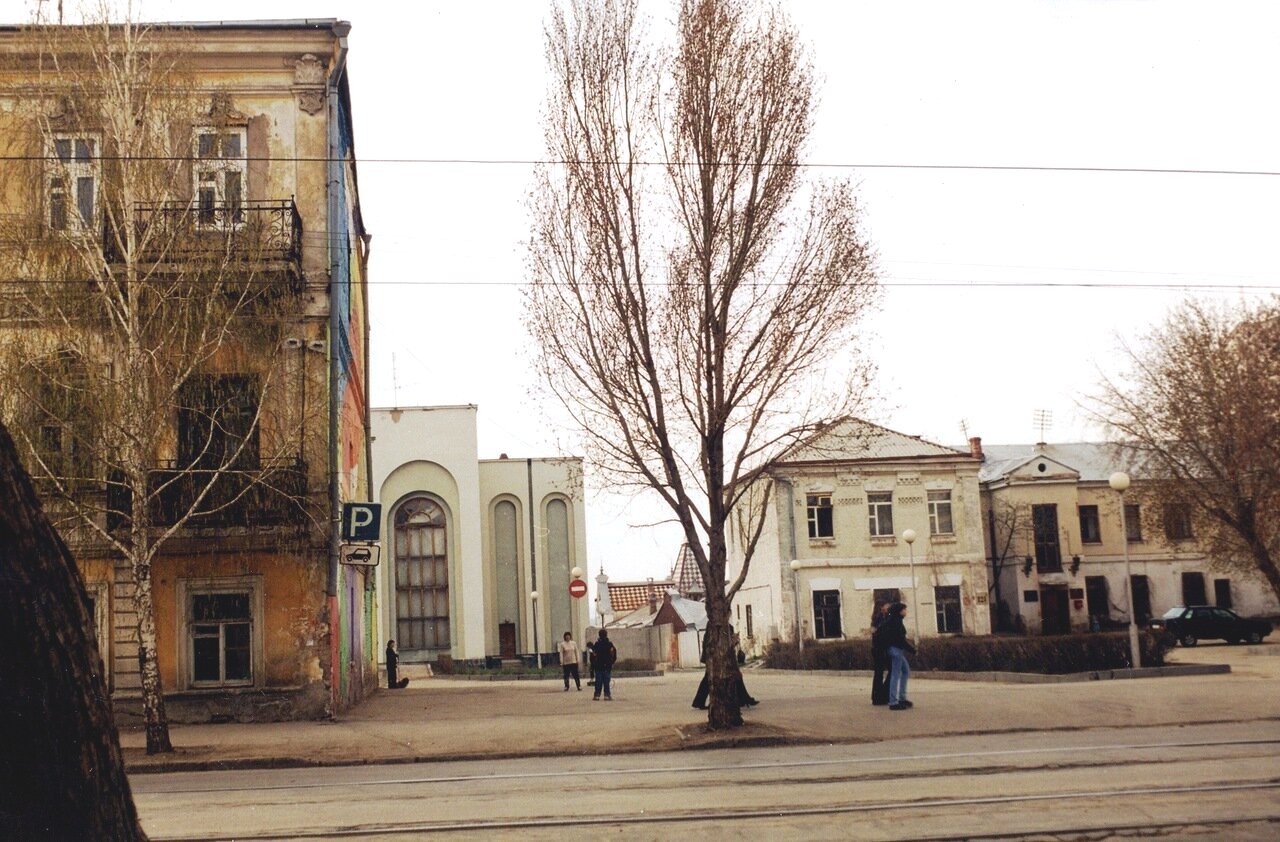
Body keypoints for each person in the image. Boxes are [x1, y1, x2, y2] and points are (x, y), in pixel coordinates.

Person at [879, 602, 916, 710]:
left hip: (895, 649)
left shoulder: (895, 621)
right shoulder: (895, 622)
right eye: (904, 609)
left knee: (905, 671)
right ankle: (893, 702)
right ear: (899, 611)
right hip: (896, 650)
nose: (906, 611)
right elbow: (900, 640)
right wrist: (912, 650)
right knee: (896, 674)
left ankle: (901, 698)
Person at [869, 600, 891, 705]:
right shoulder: (878, 618)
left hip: (881, 648)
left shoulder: (885, 617)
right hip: (879, 649)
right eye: (887, 605)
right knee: (880, 672)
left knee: (881, 672)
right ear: (881, 607)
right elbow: (875, 632)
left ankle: (880, 696)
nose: (889, 607)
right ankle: (879, 696)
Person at [589, 629, 617, 700]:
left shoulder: (597, 644)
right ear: (606, 635)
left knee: (598, 681)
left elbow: (592, 655)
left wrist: (593, 664)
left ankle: (597, 695)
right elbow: (613, 654)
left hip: (598, 666)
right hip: (607, 666)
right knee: (606, 681)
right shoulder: (609, 644)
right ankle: (607, 695)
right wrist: (612, 662)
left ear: (599, 635)